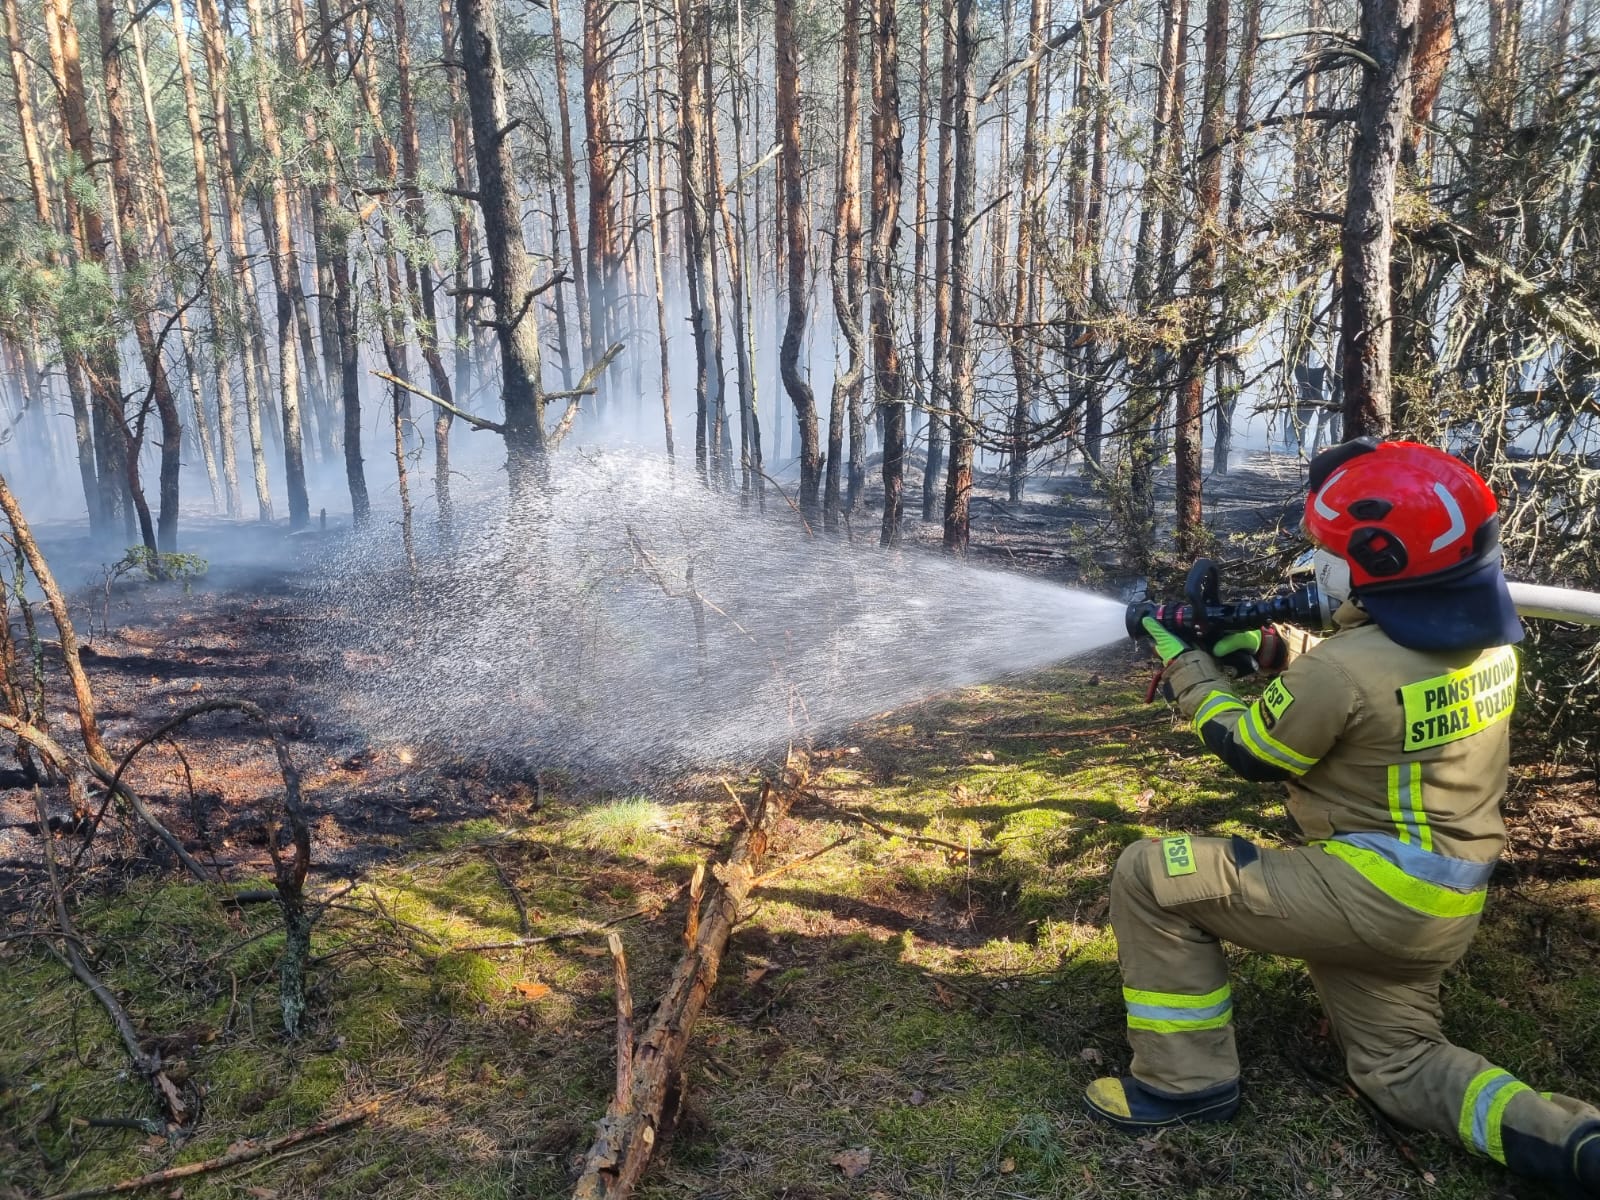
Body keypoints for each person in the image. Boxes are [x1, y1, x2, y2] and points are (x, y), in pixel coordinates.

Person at [1084, 438, 1600, 1196]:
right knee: (1397, 1064)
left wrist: (1189, 662)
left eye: (1326, 551)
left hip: (1367, 895)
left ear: (1382, 564)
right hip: (1440, 908)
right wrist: (1266, 646)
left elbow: (1253, 748)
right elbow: (1380, 678)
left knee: (1150, 875)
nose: (1315, 567)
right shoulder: (1489, 645)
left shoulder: (1343, 670)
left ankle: (1182, 1083)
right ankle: (1569, 1139)